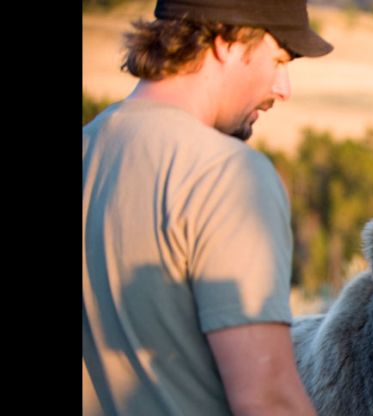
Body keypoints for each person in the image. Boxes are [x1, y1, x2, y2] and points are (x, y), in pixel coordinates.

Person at [82, 1, 332, 414]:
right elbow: (267, 399)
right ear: (227, 41)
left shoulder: (89, 150)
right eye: (278, 60)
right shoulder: (227, 173)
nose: (284, 88)